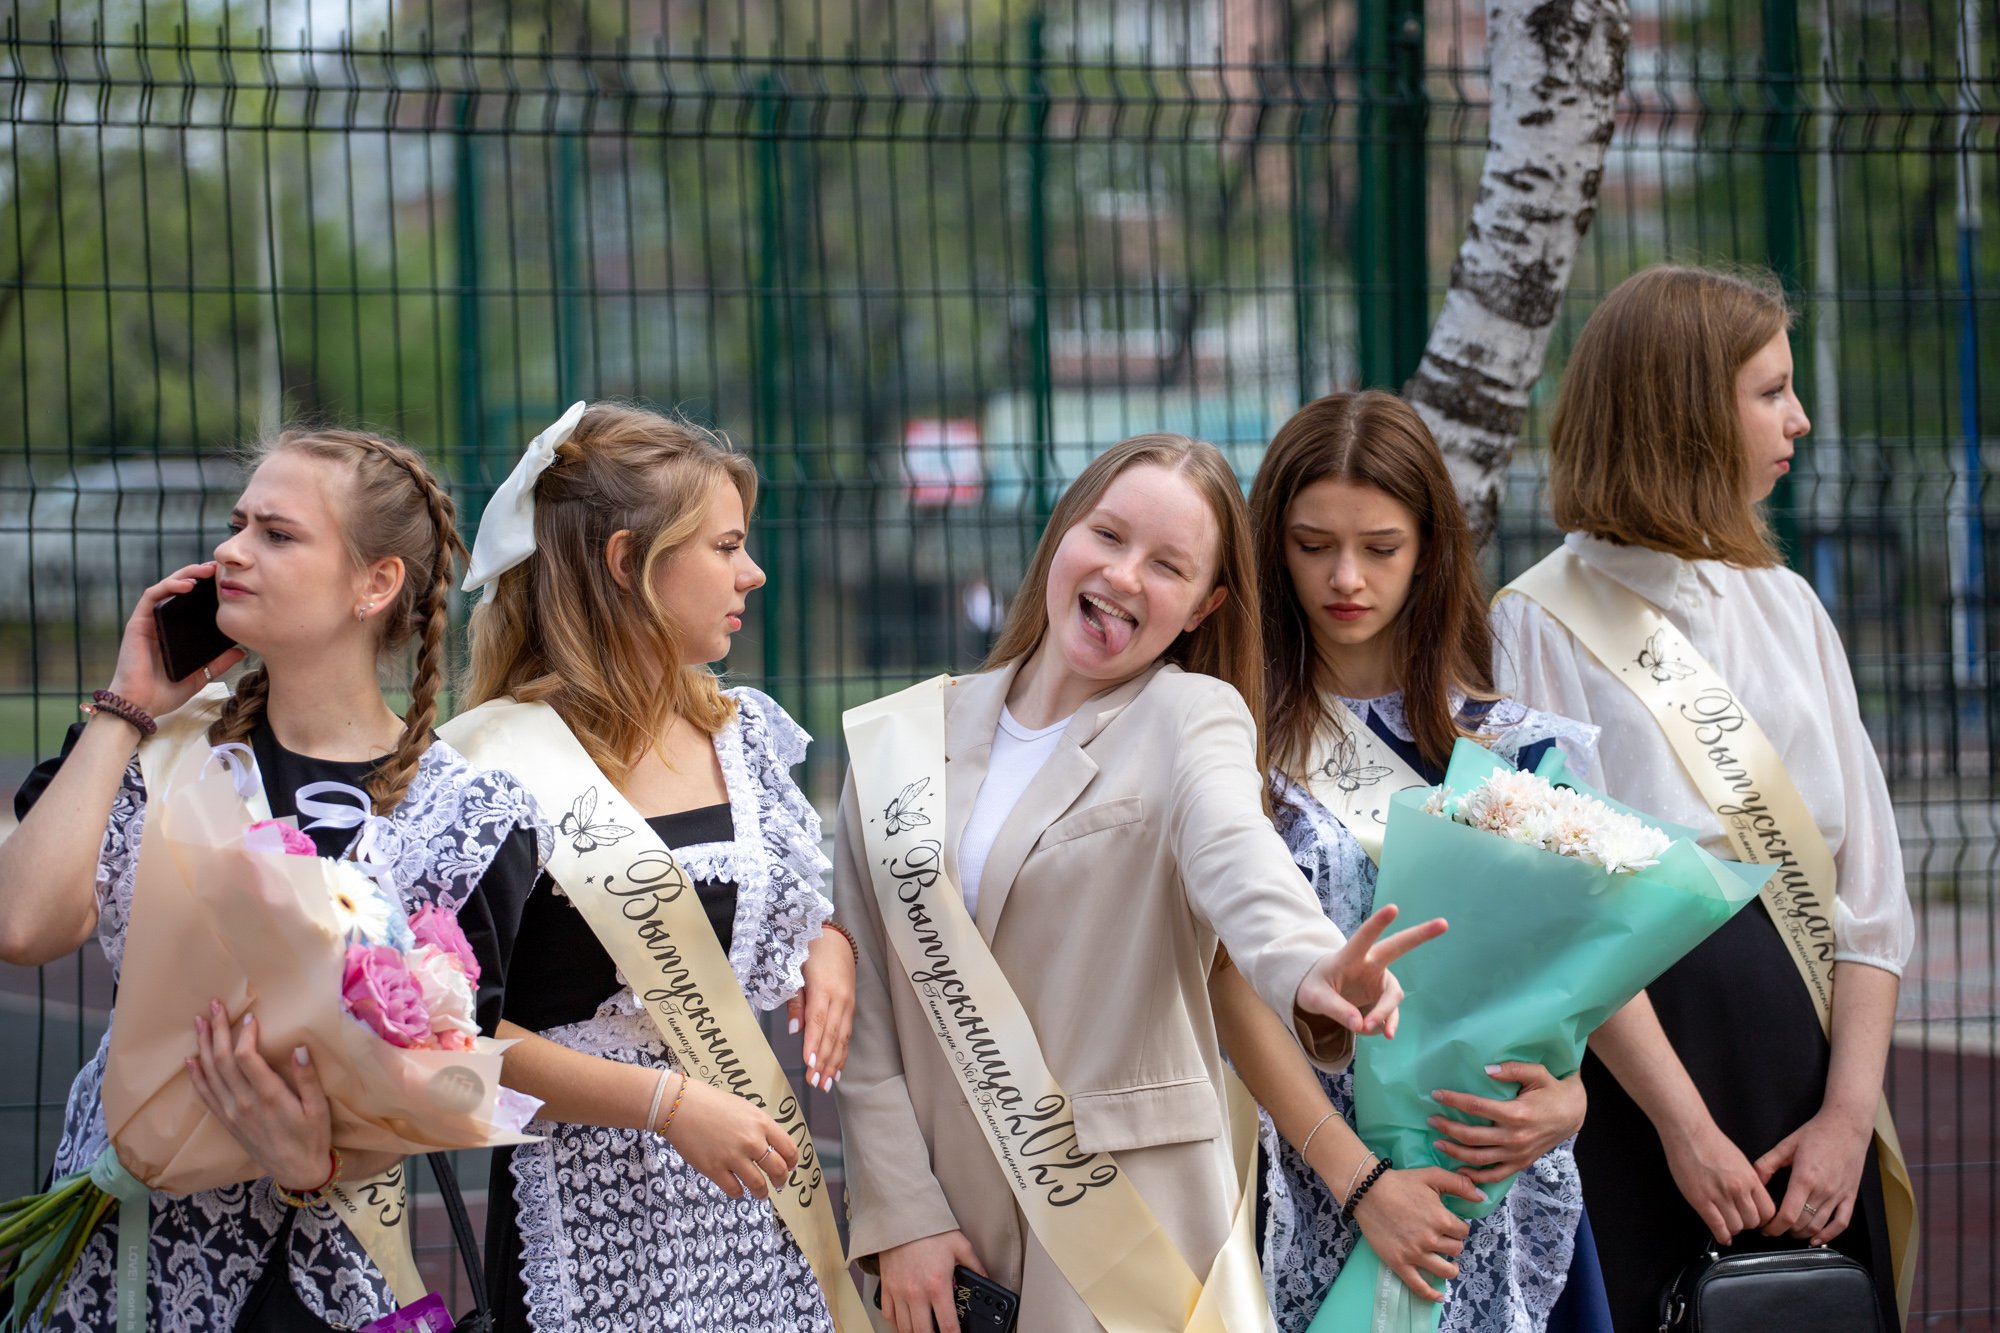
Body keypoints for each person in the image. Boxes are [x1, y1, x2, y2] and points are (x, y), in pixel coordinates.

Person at [833, 432, 1446, 1333]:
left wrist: (1310, 965)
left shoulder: (1188, 716)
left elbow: (1235, 849)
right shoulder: (906, 738)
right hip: (943, 1225)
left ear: (1206, 606)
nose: (1124, 576)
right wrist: (902, 1212)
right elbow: (866, 1006)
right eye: (1109, 536)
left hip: (1123, 1218)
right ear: (1062, 536)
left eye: (1168, 565)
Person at [0, 428, 543, 1329]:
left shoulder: (470, 812)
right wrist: (127, 701)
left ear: (376, 585)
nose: (229, 552)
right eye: (235, 524)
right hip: (111, 1245)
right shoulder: (157, 740)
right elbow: (23, 925)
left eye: (276, 535)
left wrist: (313, 1158)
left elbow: (446, 1074)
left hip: (318, 1268)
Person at [1491, 265, 1915, 1331]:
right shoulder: (1537, 623)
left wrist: (1844, 1118)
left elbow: (1866, 891)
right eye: (1769, 391)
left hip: (1808, 1076)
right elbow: (1559, 904)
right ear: (1680, 409)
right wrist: (1681, 1127)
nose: (1799, 418)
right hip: (1642, 1088)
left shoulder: (1787, 605)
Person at [451, 403, 858, 1332]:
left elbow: (774, 914)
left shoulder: (743, 730)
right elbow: (447, 1045)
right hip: (582, 1213)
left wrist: (828, 946)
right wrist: (666, 1103)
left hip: (752, 1204)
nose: (751, 572)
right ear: (626, 561)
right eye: (724, 546)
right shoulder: (498, 766)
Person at [1212, 390, 1611, 1331]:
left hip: (1486, 1183)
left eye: (1380, 547)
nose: (1345, 576)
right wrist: (1363, 1184)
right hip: (1296, 1172)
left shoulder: (1512, 750)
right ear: (1272, 546)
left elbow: (1568, 973)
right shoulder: (1225, 742)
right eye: (1312, 545)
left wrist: (1572, 1097)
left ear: (1431, 546)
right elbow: (1224, 983)